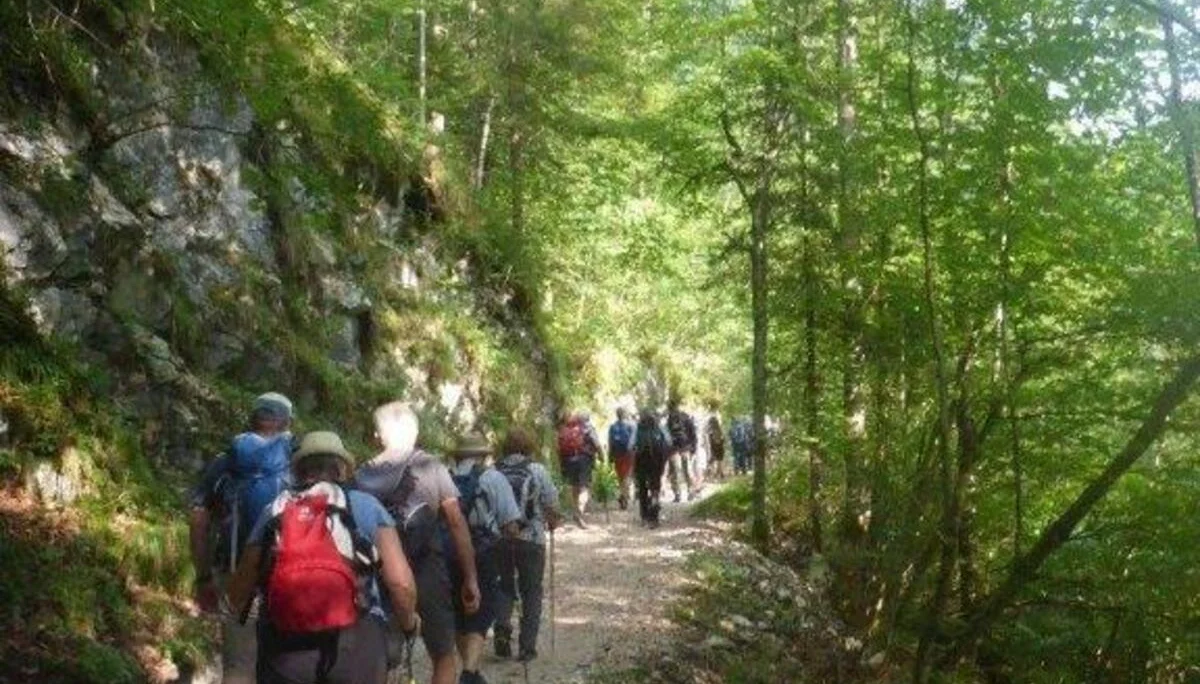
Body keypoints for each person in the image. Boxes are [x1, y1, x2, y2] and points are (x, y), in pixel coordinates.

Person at [224, 431, 421, 684]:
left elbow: (241, 586)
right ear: (341, 470)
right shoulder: (367, 507)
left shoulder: (275, 509)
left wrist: (234, 612)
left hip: (284, 645)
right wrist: (408, 624)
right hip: (356, 642)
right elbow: (400, 583)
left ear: (299, 471)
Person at [355, 402, 480, 684]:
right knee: (443, 654)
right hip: (427, 571)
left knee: (381, 660)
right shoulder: (431, 466)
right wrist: (470, 578)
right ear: (415, 431)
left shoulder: (360, 475)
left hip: (378, 575)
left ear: (378, 436)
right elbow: (456, 523)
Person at [188, 392, 295, 684]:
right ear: (287, 422)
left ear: (253, 418)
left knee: (238, 665)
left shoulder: (226, 462)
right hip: (290, 575)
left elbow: (198, 519)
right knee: (291, 662)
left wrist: (203, 577)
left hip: (235, 571)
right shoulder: (298, 463)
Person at [446, 431, 522, 684]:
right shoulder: (493, 478)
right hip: (483, 552)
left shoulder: (444, 478)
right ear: (482, 455)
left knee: (459, 610)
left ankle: (473, 671)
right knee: (482, 610)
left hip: (448, 552)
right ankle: (468, 673)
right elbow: (510, 523)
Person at [494, 427, 561, 662]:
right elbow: (551, 504)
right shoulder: (538, 470)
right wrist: (552, 521)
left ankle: (502, 625)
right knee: (531, 591)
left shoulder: (494, 471)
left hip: (500, 539)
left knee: (503, 585)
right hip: (531, 540)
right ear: (528, 447)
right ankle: (526, 647)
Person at [556, 410, 601, 528]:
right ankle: (579, 512)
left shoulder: (563, 429)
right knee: (585, 487)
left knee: (574, 487)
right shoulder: (587, 428)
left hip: (568, 460)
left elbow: (558, 449)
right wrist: (601, 455)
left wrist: (562, 464)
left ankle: (576, 511)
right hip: (584, 460)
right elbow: (596, 444)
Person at [633, 408, 671, 528]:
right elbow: (669, 442)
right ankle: (654, 518)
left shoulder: (637, 429)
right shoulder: (660, 428)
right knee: (655, 489)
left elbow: (630, 445)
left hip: (641, 463)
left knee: (643, 489)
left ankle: (644, 517)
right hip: (656, 463)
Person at [665, 398, 698, 502]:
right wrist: (693, 448)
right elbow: (693, 433)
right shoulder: (685, 417)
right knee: (687, 469)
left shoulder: (669, 418)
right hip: (685, 447)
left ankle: (677, 494)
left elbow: (667, 435)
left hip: (674, 448)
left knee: (675, 471)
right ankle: (690, 491)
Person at [606, 407, 637, 510]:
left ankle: (622, 494)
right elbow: (633, 441)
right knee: (627, 476)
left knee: (620, 477)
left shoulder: (612, 427)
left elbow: (610, 442)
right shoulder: (631, 426)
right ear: (625, 414)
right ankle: (624, 497)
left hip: (617, 454)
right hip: (629, 454)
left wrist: (610, 456)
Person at [704, 402, 727, 481]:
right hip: (720, 444)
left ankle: (714, 475)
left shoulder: (710, 432)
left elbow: (708, 439)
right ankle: (721, 474)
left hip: (713, 446)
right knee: (720, 459)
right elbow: (723, 439)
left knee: (713, 459)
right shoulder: (720, 431)